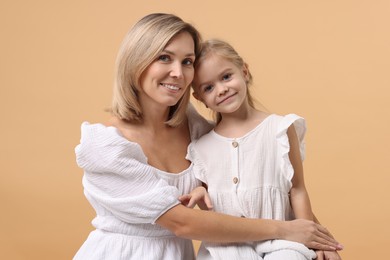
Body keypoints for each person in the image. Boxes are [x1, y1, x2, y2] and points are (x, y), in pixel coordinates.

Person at [74, 13, 342, 260]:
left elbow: (277, 181)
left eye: (187, 61)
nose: (178, 73)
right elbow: (183, 222)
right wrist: (285, 230)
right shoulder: (105, 147)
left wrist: (319, 240)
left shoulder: (194, 127)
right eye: (164, 58)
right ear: (136, 61)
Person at [183, 39, 342, 259]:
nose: (221, 89)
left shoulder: (280, 129)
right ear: (200, 98)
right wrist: (201, 192)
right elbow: (211, 207)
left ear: (244, 71)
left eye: (226, 76)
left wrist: (316, 242)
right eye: (208, 87)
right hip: (226, 248)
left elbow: (297, 189)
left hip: (282, 242)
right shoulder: (201, 148)